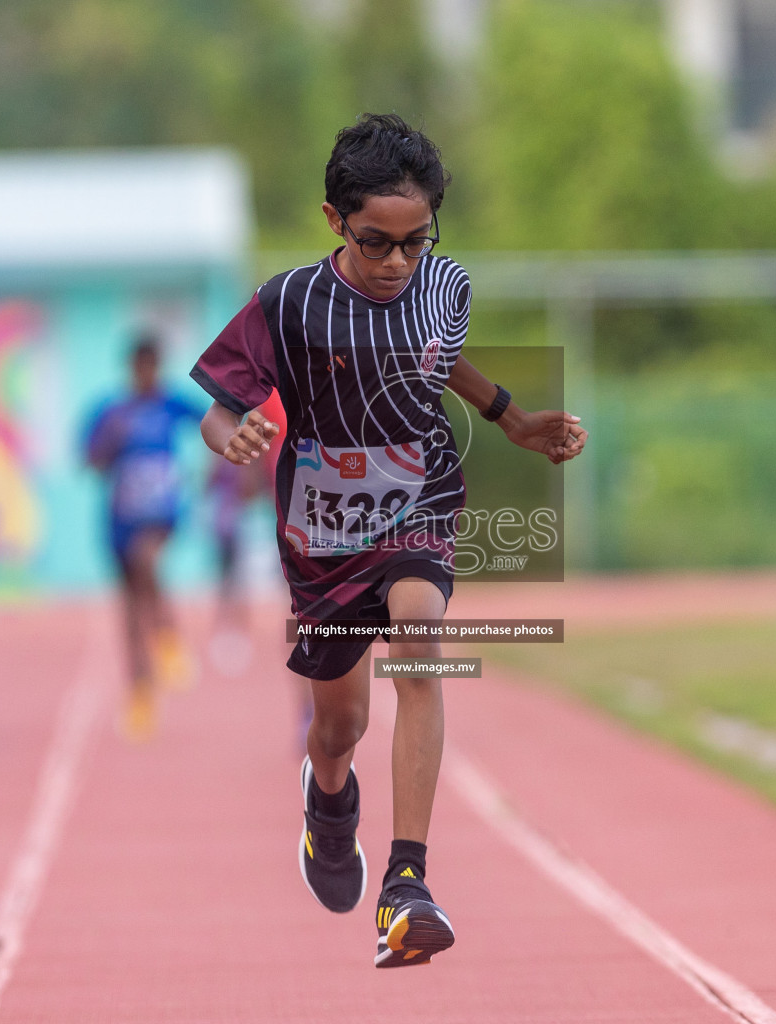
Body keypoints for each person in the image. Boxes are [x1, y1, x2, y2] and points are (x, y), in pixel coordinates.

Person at [190, 114, 586, 968]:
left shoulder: (445, 285)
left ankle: (405, 885)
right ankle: (328, 804)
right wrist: (230, 436)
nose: (398, 263)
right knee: (340, 724)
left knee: (420, 640)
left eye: (415, 242)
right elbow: (221, 405)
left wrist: (511, 417)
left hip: (419, 503)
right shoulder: (286, 303)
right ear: (335, 221)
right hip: (323, 537)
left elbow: (440, 359)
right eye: (377, 244)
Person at [84, 333, 204, 740]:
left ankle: (168, 635)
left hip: (161, 513)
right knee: (131, 610)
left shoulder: (172, 404)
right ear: (131, 368)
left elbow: (214, 423)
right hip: (121, 518)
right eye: (140, 367)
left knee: (146, 560)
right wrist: (109, 443)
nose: (146, 375)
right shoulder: (111, 411)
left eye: (152, 366)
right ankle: (141, 693)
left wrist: (217, 471)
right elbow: (91, 463)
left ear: (158, 367)